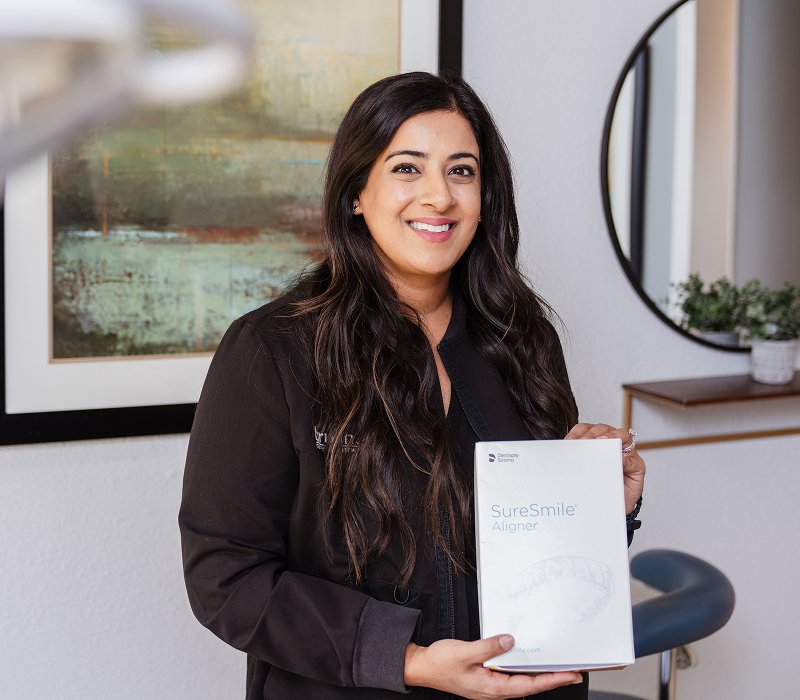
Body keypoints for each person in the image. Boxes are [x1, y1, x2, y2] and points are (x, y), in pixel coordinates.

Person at [179, 71, 645, 700]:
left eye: (461, 171)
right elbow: (226, 577)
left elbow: (535, 546)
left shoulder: (521, 338)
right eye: (407, 168)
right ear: (356, 193)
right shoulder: (273, 349)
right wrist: (410, 660)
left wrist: (600, 507)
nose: (439, 197)